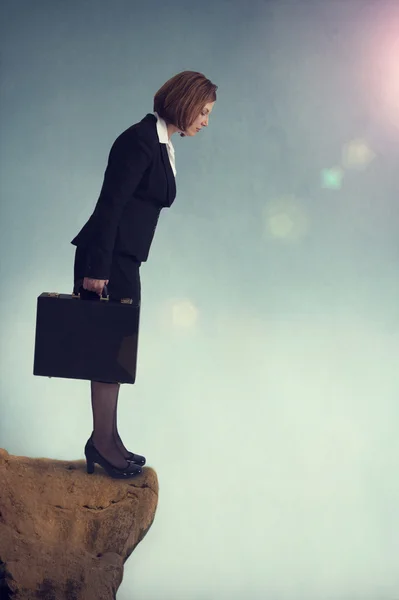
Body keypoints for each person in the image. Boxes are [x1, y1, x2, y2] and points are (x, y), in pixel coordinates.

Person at [70, 71, 217, 479]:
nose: (205, 121)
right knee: (107, 353)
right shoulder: (139, 140)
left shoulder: (161, 142)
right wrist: (96, 271)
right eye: (203, 112)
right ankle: (101, 442)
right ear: (185, 102)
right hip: (108, 261)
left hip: (124, 260)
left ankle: (108, 438)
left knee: (115, 354)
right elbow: (110, 205)